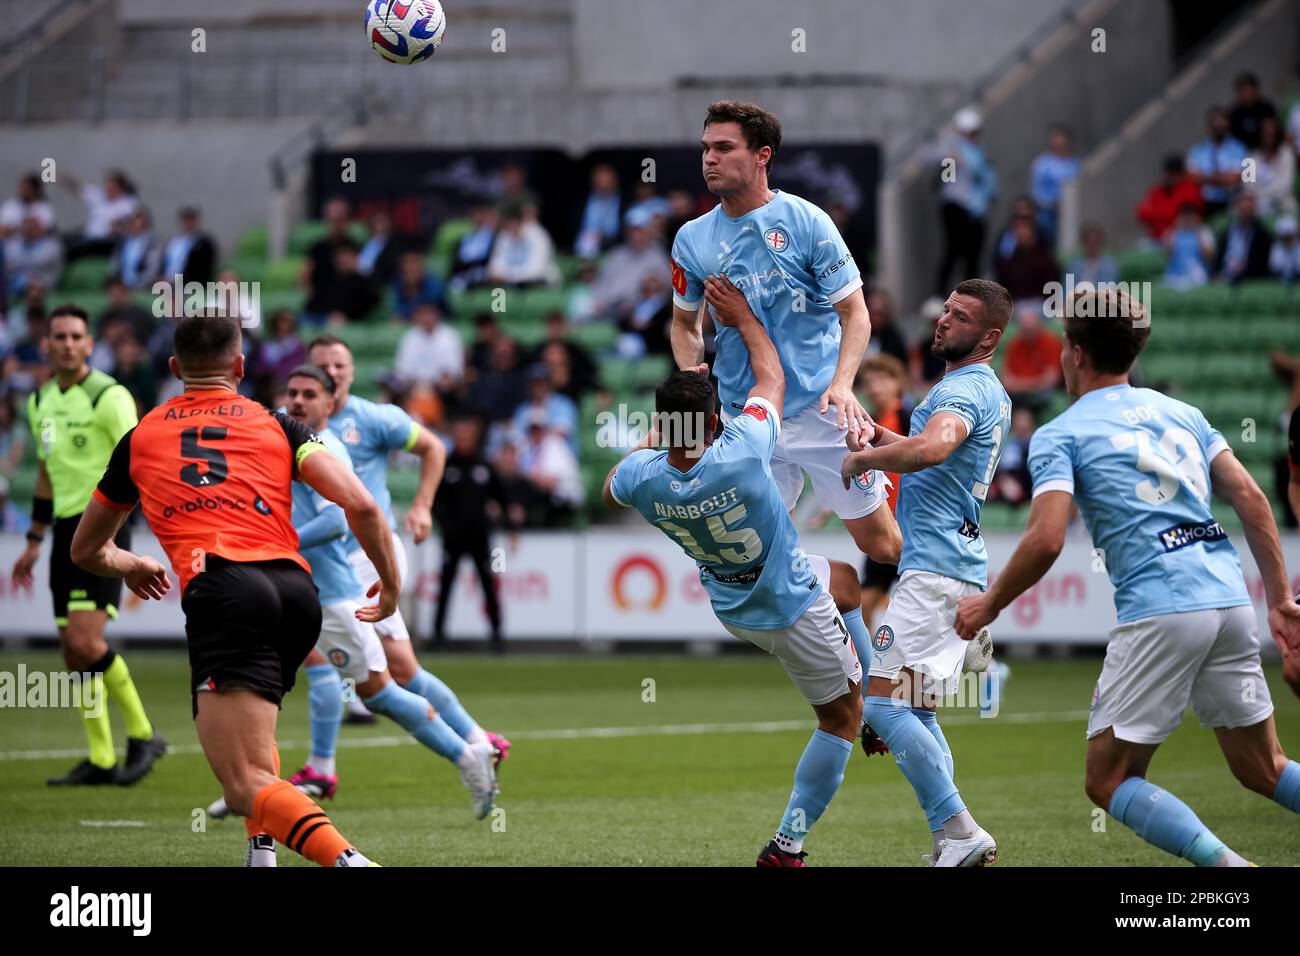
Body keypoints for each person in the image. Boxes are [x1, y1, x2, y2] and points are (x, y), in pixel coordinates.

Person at [954, 286, 1300, 866]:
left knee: (1107, 780)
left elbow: (1045, 538)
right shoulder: (1182, 414)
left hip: (1161, 608)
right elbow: (1251, 497)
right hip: (1229, 599)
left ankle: (1231, 871)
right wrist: (1281, 598)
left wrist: (990, 604)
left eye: (1065, 345)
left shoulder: (1060, 433)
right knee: (1264, 768)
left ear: (1077, 353)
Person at [71, 314, 396, 867]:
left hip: (226, 590)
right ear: (240, 367)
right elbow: (362, 504)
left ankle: (350, 862)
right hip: (296, 594)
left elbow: (85, 550)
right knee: (255, 746)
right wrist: (390, 586)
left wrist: (129, 563)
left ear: (174, 369)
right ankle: (260, 855)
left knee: (243, 781)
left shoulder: (142, 435)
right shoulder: (278, 423)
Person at [604, 275, 865, 867]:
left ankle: (865, 694)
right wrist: (745, 318)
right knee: (839, 721)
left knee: (846, 579)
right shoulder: (741, 450)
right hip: (788, 604)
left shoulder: (643, 480)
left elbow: (611, 485)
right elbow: (772, 378)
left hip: (732, 606)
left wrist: (662, 430)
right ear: (715, 420)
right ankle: (787, 845)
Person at [204, 367, 501, 862]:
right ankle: (260, 807)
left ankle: (468, 753)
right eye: (291, 392)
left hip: (328, 595)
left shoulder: (327, 450)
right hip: (282, 589)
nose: (297, 401)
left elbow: (337, 515)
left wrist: (279, 545)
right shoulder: (281, 441)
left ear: (330, 402)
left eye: (309, 395)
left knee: (380, 691)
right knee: (264, 701)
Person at [671, 100, 901, 572]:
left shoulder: (808, 222)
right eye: (705, 148)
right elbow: (684, 324)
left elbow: (856, 314)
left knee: (884, 548)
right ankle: (833, 623)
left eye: (723, 147)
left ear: (762, 156)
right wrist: (691, 379)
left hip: (821, 408)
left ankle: (951, 622)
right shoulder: (691, 239)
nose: (709, 158)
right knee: (761, 562)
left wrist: (842, 384)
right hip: (748, 417)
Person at [840, 278, 1013, 867]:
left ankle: (960, 830)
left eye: (960, 316)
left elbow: (935, 449)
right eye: (945, 310)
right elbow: (930, 450)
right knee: (915, 711)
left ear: (989, 336)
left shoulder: (962, 391)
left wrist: (865, 458)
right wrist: (877, 434)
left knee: (883, 708)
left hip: (935, 572)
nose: (943, 321)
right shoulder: (982, 389)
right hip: (954, 568)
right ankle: (950, 839)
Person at [307, 335, 510, 765]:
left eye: (339, 365)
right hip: (325, 559)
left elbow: (434, 447)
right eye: (322, 364)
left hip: (368, 556)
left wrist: (422, 505)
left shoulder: (375, 418)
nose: (332, 372)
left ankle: (472, 744)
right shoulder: (298, 427)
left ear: (352, 372)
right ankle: (319, 763)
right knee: (334, 660)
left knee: (397, 669)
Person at [9, 303, 165, 787]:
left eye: (77, 336)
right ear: (47, 344)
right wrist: (34, 539)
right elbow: (43, 473)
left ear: (90, 344)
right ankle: (101, 758)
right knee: (72, 654)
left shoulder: (109, 395)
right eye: (60, 336)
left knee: (85, 642)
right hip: (60, 535)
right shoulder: (38, 403)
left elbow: (139, 461)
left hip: (102, 530)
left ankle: (143, 735)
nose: (68, 344)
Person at [432, 415, 515, 652]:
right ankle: (439, 636)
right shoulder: (446, 465)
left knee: (488, 586)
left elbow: (501, 496)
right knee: (445, 586)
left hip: (480, 537)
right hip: (453, 538)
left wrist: (510, 527)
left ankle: (497, 635)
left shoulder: (484, 465)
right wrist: (445, 524)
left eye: (468, 435)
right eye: (460, 434)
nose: (464, 439)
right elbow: (435, 501)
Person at [855, 354, 911, 624]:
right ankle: (868, 666)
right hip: (883, 525)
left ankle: (983, 660)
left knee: (926, 607)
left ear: (897, 383)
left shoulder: (910, 417)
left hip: (910, 527)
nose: (875, 387)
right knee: (864, 604)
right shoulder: (869, 424)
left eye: (882, 380)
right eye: (869, 382)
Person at [932, 107, 998, 294]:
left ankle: (972, 294)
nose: (971, 136)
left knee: (973, 255)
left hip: (976, 210)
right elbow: (947, 181)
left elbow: (986, 181)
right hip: (956, 207)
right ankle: (939, 293)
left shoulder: (980, 153)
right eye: (968, 133)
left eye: (974, 133)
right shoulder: (952, 151)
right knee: (953, 251)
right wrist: (950, 160)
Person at [1187, 107, 1249, 220]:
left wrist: (1207, 178)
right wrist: (1223, 178)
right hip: (1205, 204)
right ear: (1209, 126)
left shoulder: (1239, 148)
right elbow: (1192, 177)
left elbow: (1239, 177)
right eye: (1215, 123)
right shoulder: (1198, 150)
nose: (1219, 126)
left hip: (1231, 202)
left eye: (1222, 122)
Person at [1001, 304, 1062, 414]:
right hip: (1018, 396)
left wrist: (1020, 384)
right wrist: (1037, 381)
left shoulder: (1051, 343)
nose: (1027, 332)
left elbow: (1051, 380)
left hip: (1042, 394)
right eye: (1025, 329)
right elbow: (1007, 382)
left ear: (1039, 325)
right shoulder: (1014, 344)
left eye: (1030, 329)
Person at [1028, 124, 1079, 247]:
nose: (1059, 145)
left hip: (1070, 213)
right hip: (1047, 214)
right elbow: (1035, 191)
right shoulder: (1042, 164)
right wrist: (1051, 203)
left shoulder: (1075, 164)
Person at [1136, 155, 1204, 242]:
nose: (1166, 177)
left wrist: (1158, 216)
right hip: (1157, 238)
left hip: (1181, 240)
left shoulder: (1189, 190)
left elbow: (1184, 219)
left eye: (1171, 173)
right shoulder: (1158, 190)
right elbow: (1142, 212)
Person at [1215, 191, 1273, 284]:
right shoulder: (1227, 233)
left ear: (1253, 210)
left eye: (1247, 209)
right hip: (1226, 276)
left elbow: (1260, 265)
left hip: (1249, 278)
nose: (1244, 213)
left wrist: (1241, 273)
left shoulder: (1262, 235)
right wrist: (1217, 273)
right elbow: (1219, 259)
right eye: (1242, 209)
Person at [1246, 116, 1296, 217]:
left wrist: (1259, 196)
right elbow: (1247, 187)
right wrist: (1256, 199)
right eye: (1266, 133)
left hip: (1282, 207)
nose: (1269, 136)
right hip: (1256, 208)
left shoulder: (1287, 154)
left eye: (1272, 133)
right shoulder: (1251, 157)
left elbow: (1285, 187)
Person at [159, 206, 217, 287]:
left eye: (191, 219)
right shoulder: (174, 241)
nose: (188, 222)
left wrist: (178, 281)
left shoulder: (204, 244)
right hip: (166, 282)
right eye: (186, 219)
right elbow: (163, 262)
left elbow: (201, 270)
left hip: (189, 285)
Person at [1162, 203, 1215, 289]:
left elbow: (1209, 256)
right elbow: (1168, 253)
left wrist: (1197, 232)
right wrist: (1175, 230)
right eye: (1185, 217)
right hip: (1175, 274)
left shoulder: (1204, 232)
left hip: (1198, 274)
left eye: (1190, 217)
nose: (1187, 220)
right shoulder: (1173, 232)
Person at [575, 163, 622, 258]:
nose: (603, 186)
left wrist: (604, 239)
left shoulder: (625, 203)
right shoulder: (581, 203)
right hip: (585, 252)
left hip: (616, 250)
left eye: (607, 182)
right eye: (599, 182)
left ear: (614, 182)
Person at [110, 208, 160, 290]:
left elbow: (152, 269)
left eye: (135, 221)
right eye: (130, 221)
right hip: (121, 286)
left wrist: (138, 284)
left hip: (141, 286)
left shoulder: (152, 243)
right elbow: (114, 264)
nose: (131, 224)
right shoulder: (123, 242)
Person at [1228, 71, 1277, 151]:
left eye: (1248, 88)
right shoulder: (1234, 113)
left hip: (1265, 151)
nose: (1246, 93)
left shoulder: (1267, 108)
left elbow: (1274, 132)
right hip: (1242, 154)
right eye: (1242, 90)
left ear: (1256, 89)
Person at [1067, 222, 1119, 287]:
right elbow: (1067, 291)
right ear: (1083, 243)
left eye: (1095, 242)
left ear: (1101, 242)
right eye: (1088, 242)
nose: (1092, 246)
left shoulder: (1110, 266)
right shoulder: (1073, 267)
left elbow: (1109, 289)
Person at [1270, 215, 1300, 282]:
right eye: (1285, 237)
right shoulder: (1277, 247)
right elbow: (1275, 268)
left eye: (1290, 236)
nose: (1288, 239)